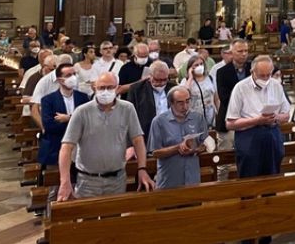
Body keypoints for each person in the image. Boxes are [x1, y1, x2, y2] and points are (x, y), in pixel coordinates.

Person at [57, 72, 153, 202]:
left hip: (117, 179)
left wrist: (142, 168)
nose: (106, 91)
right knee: (88, 220)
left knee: (113, 219)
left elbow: (138, 140)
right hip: (88, 181)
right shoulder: (81, 111)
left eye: (110, 87)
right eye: (102, 88)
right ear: (94, 88)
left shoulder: (127, 108)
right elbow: (67, 147)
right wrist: (65, 181)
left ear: (117, 89)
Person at [226, 55, 291, 184]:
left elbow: (286, 115)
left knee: (272, 179)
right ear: (252, 72)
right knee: (249, 181)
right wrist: (257, 120)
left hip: (273, 135)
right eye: (262, 75)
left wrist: (276, 117)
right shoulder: (240, 88)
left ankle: (270, 202)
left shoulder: (276, 86)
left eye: (269, 74)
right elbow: (230, 123)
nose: (266, 78)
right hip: (249, 137)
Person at [147, 86, 208, 189]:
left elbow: (204, 145)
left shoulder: (198, 118)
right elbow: (155, 152)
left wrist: (195, 149)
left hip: (192, 179)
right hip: (169, 180)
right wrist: (178, 148)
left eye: (188, 101)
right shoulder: (159, 122)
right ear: (171, 103)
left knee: (194, 204)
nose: (185, 106)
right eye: (180, 103)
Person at [39, 62, 90, 169]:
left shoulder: (83, 97)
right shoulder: (48, 100)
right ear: (59, 80)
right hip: (56, 148)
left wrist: (68, 118)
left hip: (80, 150)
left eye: (74, 74)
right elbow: (49, 126)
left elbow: (88, 122)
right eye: (68, 75)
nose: (73, 78)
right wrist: (77, 123)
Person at [215, 39, 251, 150]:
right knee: (225, 160)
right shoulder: (222, 72)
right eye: (240, 51)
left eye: (246, 51)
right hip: (229, 118)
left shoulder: (253, 68)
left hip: (250, 119)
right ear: (232, 52)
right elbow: (224, 97)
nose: (244, 54)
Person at [183, 55, 217, 127]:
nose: (200, 66)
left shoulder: (210, 78)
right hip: (193, 119)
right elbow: (184, 94)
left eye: (201, 64)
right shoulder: (186, 81)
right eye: (196, 65)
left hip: (210, 118)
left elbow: (216, 98)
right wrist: (190, 77)